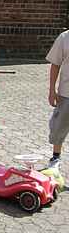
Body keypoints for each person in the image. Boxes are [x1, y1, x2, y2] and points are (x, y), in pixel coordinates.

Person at [45, 29, 69, 169]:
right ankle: (55, 157)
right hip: (66, 93)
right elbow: (55, 64)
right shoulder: (64, 37)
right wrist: (52, 89)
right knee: (59, 127)